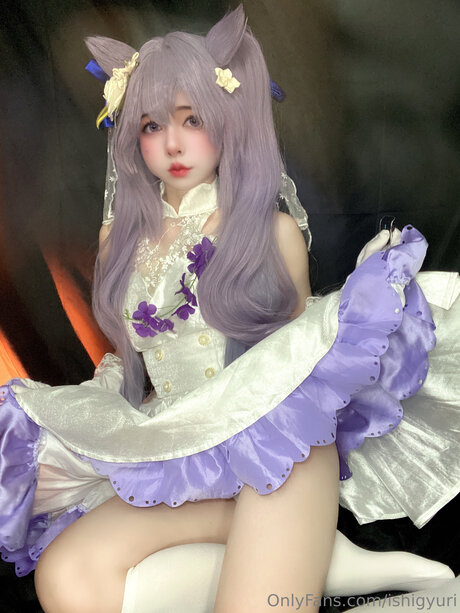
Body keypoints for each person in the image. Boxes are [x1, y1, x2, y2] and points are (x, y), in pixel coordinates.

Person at [0, 6, 458, 613]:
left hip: (273, 451)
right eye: (152, 124)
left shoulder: (270, 232)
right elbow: (135, 363)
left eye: (193, 119)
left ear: (226, 119)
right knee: (67, 579)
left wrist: (363, 302)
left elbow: (300, 364)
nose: (173, 143)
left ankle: (320, 556)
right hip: (179, 454)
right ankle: (330, 565)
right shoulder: (119, 241)